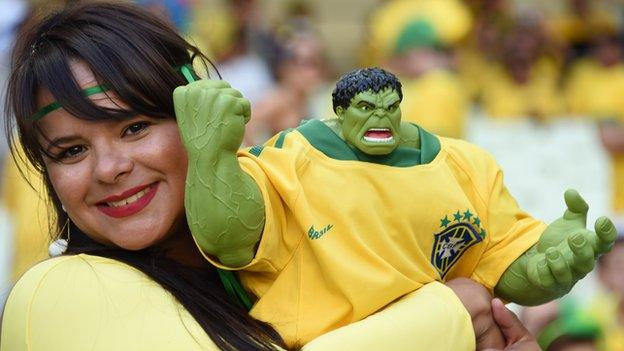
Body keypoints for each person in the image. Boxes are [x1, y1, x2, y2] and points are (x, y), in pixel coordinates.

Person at [0, 3, 535, 351]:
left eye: (135, 126)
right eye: (70, 150)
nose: (110, 168)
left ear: (199, 112)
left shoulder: (298, 257)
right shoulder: (60, 293)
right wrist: (450, 311)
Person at [177, 67, 617, 347]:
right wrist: (210, 156)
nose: (380, 120)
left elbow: (506, 264)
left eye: (390, 109)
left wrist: (547, 266)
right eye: (366, 109)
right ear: (339, 110)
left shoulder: (465, 164)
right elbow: (228, 238)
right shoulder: (288, 158)